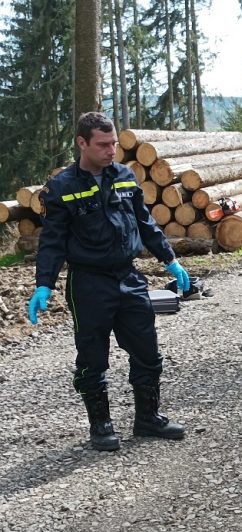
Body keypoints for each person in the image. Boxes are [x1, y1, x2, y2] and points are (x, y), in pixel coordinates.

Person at [28, 111, 190, 452]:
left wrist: (170, 260)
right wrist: (45, 283)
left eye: (114, 143)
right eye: (102, 145)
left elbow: (146, 224)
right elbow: (53, 241)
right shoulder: (62, 187)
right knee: (92, 356)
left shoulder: (125, 176)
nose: (111, 150)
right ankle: (100, 425)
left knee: (147, 350)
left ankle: (148, 417)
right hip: (88, 282)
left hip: (128, 277)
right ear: (82, 143)